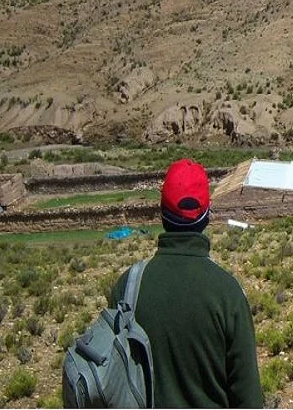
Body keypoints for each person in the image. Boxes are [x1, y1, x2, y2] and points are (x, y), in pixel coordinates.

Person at [108, 159, 263, 408]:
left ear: (162, 214)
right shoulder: (227, 293)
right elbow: (248, 399)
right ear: (206, 216)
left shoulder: (127, 287)